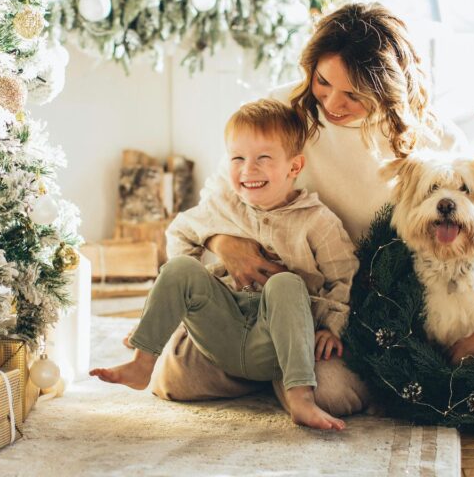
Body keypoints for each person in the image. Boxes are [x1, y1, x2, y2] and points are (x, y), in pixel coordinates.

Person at [149, 2, 474, 414]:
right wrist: (223, 241)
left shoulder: (433, 139)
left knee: (332, 394)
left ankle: (281, 370)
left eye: (354, 93)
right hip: (260, 297)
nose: (333, 102)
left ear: (388, 89)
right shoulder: (284, 109)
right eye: (323, 81)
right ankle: (270, 362)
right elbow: (221, 193)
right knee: (173, 380)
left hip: (346, 307)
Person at [91, 99, 358, 431]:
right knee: (179, 270)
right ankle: (141, 362)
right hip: (225, 324)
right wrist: (183, 303)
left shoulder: (316, 220)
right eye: (238, 158)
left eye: (263, 158)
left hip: (280, 338)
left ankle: (300, 397)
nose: (248, 170)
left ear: (294, 167)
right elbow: (179, 233)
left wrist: (331, 327)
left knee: (286, 284)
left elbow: (343, 275)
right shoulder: (222, 206)